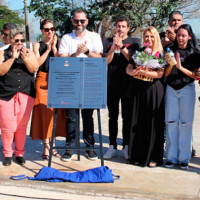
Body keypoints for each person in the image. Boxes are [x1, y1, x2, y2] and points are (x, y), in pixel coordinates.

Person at [58, 9, 103, 162]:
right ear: (72, 21)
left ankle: (89, 147)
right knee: (71, 117)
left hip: (89, 81)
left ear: (87, 21)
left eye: (82, 21)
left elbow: (99, 58)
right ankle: (69, 148)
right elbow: (62, 60)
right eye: (76, 21)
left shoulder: (94, 37)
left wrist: (87, 51)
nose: (79, 24)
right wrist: (76, 54)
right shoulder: (66, 38)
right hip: (71, 82)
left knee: (87, 116)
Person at [126, 26, 165, 167]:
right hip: (139, 90)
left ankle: (153, 157)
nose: (148, 39)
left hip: (154, 90)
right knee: (138, 121)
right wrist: (134, 71)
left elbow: (160, 74)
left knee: (153, 123)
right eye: (146, 36)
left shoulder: (160, 53)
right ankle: (137, 155)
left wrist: (146, 72)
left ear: (156, 38)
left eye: (151, 36)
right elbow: (128, 68)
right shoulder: (139, 52)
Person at [102, 17, 140, 160]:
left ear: (128, 28)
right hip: (112, 83)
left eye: (123, 26)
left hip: (129, 84)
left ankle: (126, 146)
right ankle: (112, 146)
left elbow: (134, 59)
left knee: (127, 116)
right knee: (113, 116)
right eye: (118, 26)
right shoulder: (107, 42)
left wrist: (122, 46)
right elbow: (106, 61)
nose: (120, 29)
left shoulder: (135, 42)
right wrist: (113, 47)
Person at [0, 29, 39, 166]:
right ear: (10, 40)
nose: (19, 43)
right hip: (6, 94)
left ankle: (20, 153)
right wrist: (12, 58)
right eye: (16, 40)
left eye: (22, 40)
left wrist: (25, 58)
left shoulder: (28, 53)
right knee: (7, 126)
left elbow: (34, 69)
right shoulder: (2, 53)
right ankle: (7, 154)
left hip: (25, 93)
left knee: (21, 126)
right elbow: (1, 71)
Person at [164, 24, 200, 170]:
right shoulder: (170, 50)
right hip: (171, 89)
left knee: (186, 123)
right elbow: (166, 75)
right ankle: (171, 157)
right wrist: (170, 66)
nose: (181, 38)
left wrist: (180, 68)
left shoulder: (195, 53)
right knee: (171, 123)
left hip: (187, 89)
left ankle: (184, 158)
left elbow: (195, 76)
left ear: (189, 36)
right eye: (179, 35)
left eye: (184, 35)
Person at [30, 19, 66, 160]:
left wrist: (55, 49)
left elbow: (62, 64)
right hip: (42, 79)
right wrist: (48, 50)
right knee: (44, 112)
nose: (49, 31)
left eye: (52, 29)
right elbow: (36, 63)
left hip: (57, 79)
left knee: (55, 112)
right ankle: (46, 146)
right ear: (42, 31)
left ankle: (54, 145)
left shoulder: (60, 43)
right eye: (46, 29)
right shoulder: (37, 45)